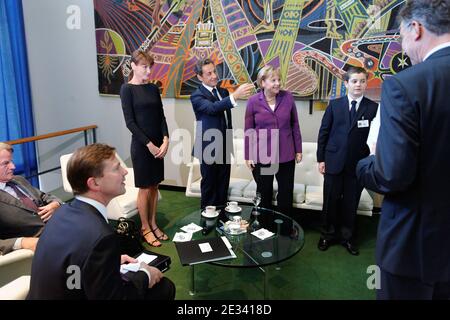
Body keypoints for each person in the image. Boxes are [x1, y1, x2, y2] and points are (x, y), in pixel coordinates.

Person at [356, 0, 450, 299]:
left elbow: (391, 175)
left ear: (416, 28)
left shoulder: (406, 86)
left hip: (416, 248)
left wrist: (365, 163)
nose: (404, 47)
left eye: (401, 38)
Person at [27, 143, 175, 300]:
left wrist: (108, 264)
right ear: (94, 183)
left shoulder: (61, 213)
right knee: (164, 288)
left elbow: (74, 263)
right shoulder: (101, 236)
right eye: (117, 168)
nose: (125, 171)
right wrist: (145, 274)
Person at [316, 67, 378, 256]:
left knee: (351, 203)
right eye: (354, 81)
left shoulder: (373, 107)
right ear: (346, 84)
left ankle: (347, 237)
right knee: (330, 201)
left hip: (357, 165)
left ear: (366, 83)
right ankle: (327, 235)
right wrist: (321, 159)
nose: (358, 84)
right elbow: (324, 133)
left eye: (362, 81)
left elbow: (375, 137)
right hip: (333, 161)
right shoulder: (334, 105)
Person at [120, 50, 169, 247]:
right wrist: (149, 145)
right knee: (145, 188)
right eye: (144, 67)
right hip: (142, 147)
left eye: (150, 67)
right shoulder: (126, 89)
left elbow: (161, 116)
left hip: (159, 145)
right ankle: (145, 228)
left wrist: (166, 140)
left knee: (155, 186)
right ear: (133, 65)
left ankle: (154, 224)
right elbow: (130, 122)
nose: (149, 71)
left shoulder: (153, 88)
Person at [191, 58, 253, 210]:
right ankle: (207, 219)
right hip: (208, 146)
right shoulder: (197, 96)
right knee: (209, 184)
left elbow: (223, 116)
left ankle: (221, 217)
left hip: (225, 145)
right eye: (209, 73)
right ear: (200, 77)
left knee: (223, 183)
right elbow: (213, 108)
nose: (214, 76)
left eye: (214, 71)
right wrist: (235, 95)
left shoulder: (223, 91)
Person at [244, 66, 302, 218]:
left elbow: (295, 124)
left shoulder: (288, 97)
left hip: (286, 154)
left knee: (285, 192)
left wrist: (298, 149)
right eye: (273, 80)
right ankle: (264, 226)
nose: (278, 83)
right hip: (263, 155)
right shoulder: (253, 101)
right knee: (264, 191)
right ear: (262, 83)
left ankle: (285, 227)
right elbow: (248, 129)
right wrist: (248, 155)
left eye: (279, 80)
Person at [0, 142, 62, 255]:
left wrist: (55, 204)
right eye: (6, 163)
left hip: (61, 228)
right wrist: (23, 242)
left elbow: (44, 196)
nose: (13, 167)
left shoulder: (18, 180)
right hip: (45, 245)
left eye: (12, 161)